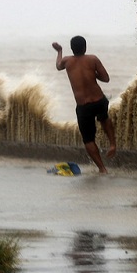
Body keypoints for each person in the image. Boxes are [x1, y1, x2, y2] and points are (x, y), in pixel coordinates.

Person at [52, 36, 117, 173]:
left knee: (88, 139)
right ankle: (112, 145)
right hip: (99, 100)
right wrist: (93, 74)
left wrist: (59, 51)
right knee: (105, 119)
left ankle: (102, 168)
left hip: (83, 106)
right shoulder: (93, 59)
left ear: (72, 49)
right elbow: (106, 78)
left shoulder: (67, 61)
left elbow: (58, 66)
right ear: (85, 47)